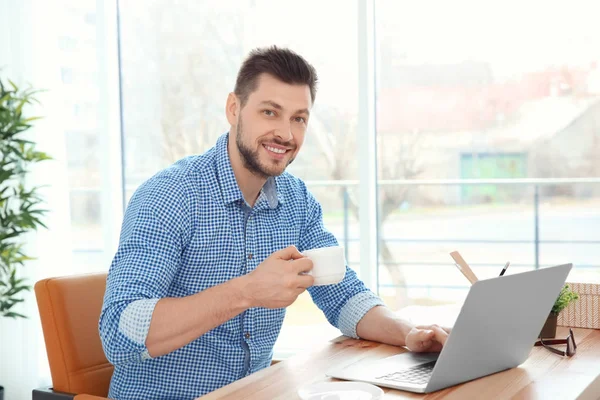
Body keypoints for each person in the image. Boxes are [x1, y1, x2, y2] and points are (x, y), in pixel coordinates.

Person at [99, 46, 449, 400]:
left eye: (299, 118)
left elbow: (343, 296)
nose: (285, 133)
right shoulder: (170, 196)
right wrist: (248, 290)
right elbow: (119, 332)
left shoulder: (296, 200)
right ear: (234, 109)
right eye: (270, 112)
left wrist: (409, 333)